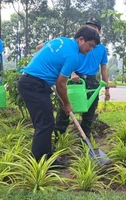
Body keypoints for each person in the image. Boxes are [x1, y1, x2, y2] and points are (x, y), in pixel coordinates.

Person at [18, 25, 100, 167]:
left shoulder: (61, 40)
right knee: (45, 124)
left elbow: (40, 47)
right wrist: (66, 104)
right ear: (81, 39)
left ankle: (45, 158)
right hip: (34, 84)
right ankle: (41, 162)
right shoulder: (73, 56)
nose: (90, 49)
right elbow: (61, 84)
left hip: (30, 82)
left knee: (46, 122)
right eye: (90, 45)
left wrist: (49, 66)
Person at [54, 17, 110, 139]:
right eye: (89, 27)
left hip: (91, 80)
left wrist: (107, 88)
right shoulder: (80, 45)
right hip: (75, 79)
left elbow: (104, 69)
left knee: (89, 113)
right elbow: (69, 59)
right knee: (65, 109)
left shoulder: (101, 49)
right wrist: (72, 73)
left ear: (99, 31)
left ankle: (85, 140)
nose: (91, 29)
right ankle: (58, 138)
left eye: (94, 27)